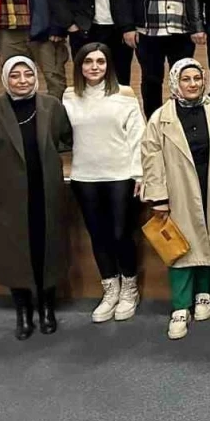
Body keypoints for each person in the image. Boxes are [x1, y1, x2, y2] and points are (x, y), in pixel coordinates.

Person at [0, 57, 72, 340]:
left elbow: (65, 138)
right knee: (14, 256)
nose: (23, 80)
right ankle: (23, 312)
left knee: (47, 251)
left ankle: (47, 308)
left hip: (46, 195)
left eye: (28, 74)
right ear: (5, 79)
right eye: (15, 76)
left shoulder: (51, 106)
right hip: (7, 200)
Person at [141, 59, 210, 341]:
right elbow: (151, 157)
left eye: (197, 78)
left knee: (208, 236)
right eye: (186, 79)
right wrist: (158, 197)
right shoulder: (161, 117)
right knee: (180, 245)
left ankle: (203, 293)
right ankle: (181, 307)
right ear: (175, 83)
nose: (193, 84)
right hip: (177, 189)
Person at [62, 42, 145, 324]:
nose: (94, 67)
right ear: (79, 66)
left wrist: (139, 173)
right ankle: (110, 289)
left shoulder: (124, 95)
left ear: (109, 65)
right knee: (99, 236)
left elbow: (138, 136)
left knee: (121, 234)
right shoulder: (69, 96)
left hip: (120, 176)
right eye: (88, 61)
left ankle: (130, 289)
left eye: (100, 61)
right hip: (85, 177)